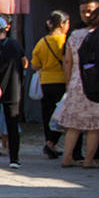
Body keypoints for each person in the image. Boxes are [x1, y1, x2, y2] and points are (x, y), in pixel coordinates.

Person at [54, 4, 99, 169]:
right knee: (94, 125)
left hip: (76, 82)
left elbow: (68, 60)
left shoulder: (76, 34)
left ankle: (67, 157)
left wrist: (69, 82)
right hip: (95, 82)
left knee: (74, 125)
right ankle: (89, 160)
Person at [0, 15, 26, 167]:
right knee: (12, 123)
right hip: (13, 86)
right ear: (5, 29)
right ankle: (14, 158)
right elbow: (24, 62)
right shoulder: (14, 44)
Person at [30, 11, 69, 159]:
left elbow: (34, 66)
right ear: (62, 24)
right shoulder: (65, 41)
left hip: (46, 82)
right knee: (61, 114)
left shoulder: (42, 42)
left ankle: (48, 141)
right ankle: (52, 142)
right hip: (62, 81)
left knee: (48, 114)